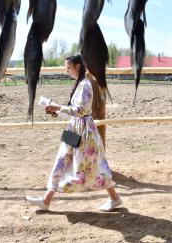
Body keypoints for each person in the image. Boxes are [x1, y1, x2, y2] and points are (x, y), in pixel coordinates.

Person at [26, 54, 122, 212]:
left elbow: (81, 110)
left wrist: (57, 107)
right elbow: (75, 112)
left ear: (77, 66)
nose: (67, 71)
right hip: (75, 128)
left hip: (84, 132)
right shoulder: (79, 84)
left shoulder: (85, 85)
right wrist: (55, 111)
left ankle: (114, 198)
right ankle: (46, 200)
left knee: (95, 165)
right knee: (62, 160)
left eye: (68, 67)